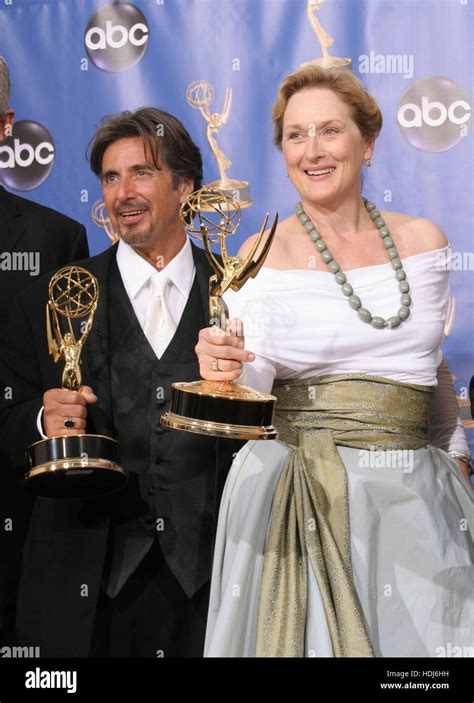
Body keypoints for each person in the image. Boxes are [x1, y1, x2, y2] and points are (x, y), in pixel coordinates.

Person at [196, 66, 474, 657]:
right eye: (295, 136)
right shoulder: (257, 254)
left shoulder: (424, 242)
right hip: (294, 495)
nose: (312, 150)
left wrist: (456, 460)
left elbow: (430, 365)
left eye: (329, 131)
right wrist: (221, 367)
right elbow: (250, 379)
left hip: (410, 496)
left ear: (366, 143)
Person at [0, 107, 242, 656]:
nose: (122, 193)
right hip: (84, 592)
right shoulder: (48, 297)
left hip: (213, 588)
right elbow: (6, 421)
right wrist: (41, 419)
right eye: (110, 178)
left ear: (185, 186)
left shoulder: (240, 293)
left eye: (142, 173)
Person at [0, 56, 89, 643]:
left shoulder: (56, 239)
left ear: (5, 125)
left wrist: (41, 417)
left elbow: (66, 385)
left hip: (17, 528)